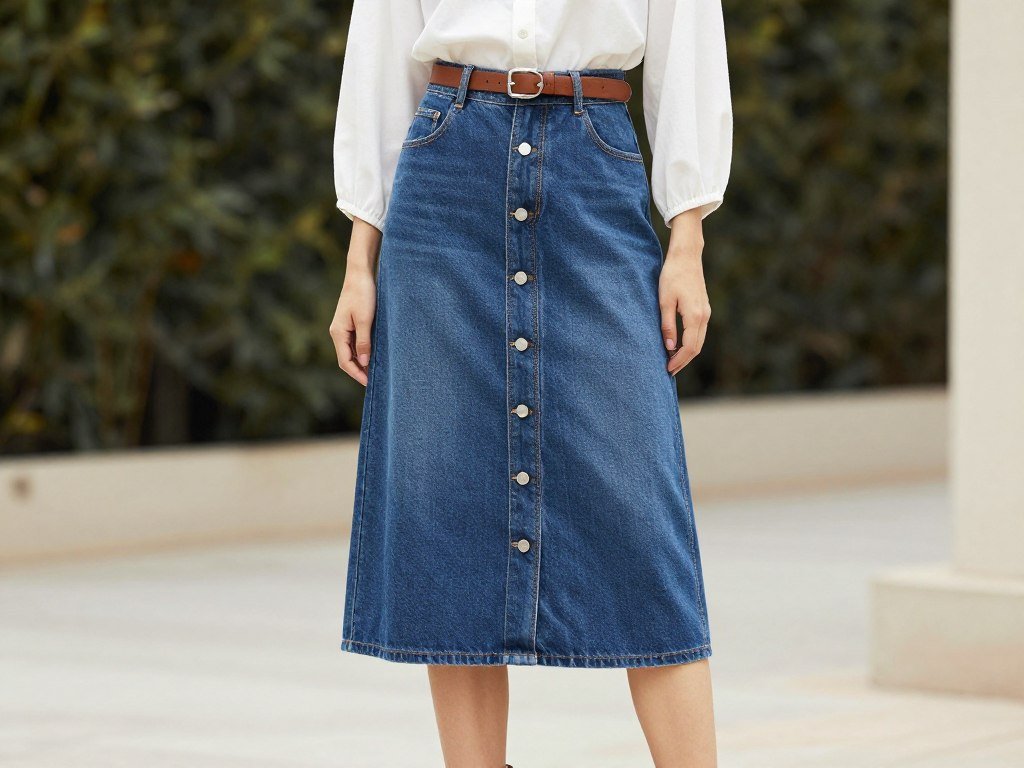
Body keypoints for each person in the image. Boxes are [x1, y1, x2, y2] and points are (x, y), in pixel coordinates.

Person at [329, 1, 732, 765]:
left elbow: (689, 45)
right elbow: (381, 60)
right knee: (451, 507)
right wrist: (360, 261)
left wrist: (688, 235)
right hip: (446, 174)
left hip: (594, 162)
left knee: (643, 513)